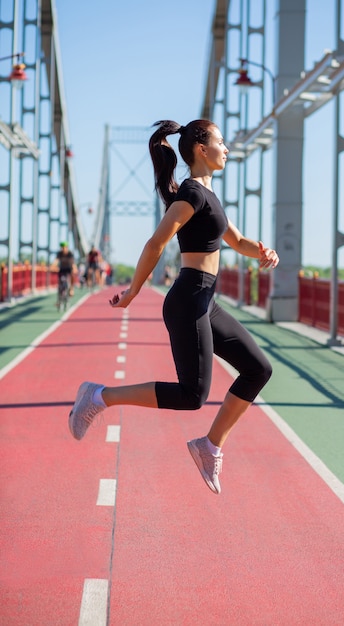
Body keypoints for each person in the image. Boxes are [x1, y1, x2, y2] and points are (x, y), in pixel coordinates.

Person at [68, 119, 279, 495]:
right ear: (201, 148)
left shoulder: (208, 196)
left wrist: (263, 251)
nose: (226, 149)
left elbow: (238, 240)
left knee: (258, 369)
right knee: (192, 395)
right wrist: (133, 291)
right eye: (220, 142)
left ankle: (209, 446)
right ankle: (99, 396)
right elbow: (155, 244)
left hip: (205, 301)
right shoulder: (191, 195)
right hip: (188, 299)